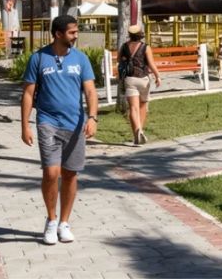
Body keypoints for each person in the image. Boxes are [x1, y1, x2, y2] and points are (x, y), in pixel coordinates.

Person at [21, 15, 99, 245]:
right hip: (47, 122)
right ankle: (51, 220)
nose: (76, 36)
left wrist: (92, 117)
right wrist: (25, 125)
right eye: (72, 32)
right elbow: (28, 93)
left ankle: (64, 222)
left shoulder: (81, 59)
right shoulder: (38, 58)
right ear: (58, 34)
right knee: (51, 173)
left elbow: (91, 91)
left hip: (75, 124)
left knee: (70, 174)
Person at [118, 24, 161, 145]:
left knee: (133, 108)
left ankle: (137, 132)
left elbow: (119, 60)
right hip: (143, 79)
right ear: (141, 34)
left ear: (130, 35)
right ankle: (140, 131)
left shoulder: (124, 46)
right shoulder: (145, 47)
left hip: (130, 79)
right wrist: (158, 76)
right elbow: (151, 64)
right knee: (143, 106)